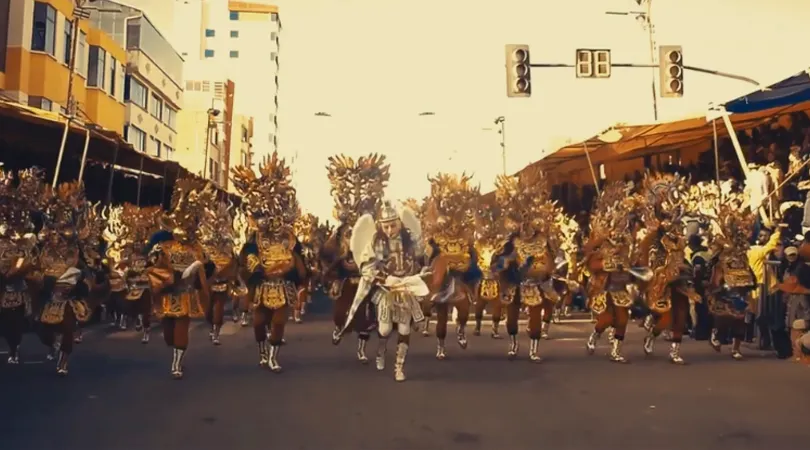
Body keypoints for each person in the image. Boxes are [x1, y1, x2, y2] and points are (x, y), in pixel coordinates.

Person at [231, 153, 309, 373]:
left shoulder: (290, 238)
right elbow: (246, 260)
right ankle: (262, 353)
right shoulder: (254, 239)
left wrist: (293, 264)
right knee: (258, 324)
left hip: (283, 288)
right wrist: (255, 269)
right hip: (262, 288)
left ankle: (274, 357)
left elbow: (300, 261)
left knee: (278, 324)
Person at [341, 201, 427, 381]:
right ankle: (381, 349)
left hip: (405, 289)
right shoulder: (376, 242)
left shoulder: (409, 240)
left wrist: (421, 271)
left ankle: (399, 367)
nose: (389, 230)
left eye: (393, 226)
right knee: (385, 329)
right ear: (380, 226)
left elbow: (420, 259)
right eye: (386, 226)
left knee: (405, 329)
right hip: (385, 289)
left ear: (400, 224)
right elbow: (366, 268)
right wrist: (385, 278)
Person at [321, 153, 390, 362]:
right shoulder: (342, 231)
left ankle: (361, 349)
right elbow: (328, 252)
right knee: (340, 313)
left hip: (367, 278)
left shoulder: (376, 232)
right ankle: (338, 328)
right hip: (345, 280)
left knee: (367, 317)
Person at [145, 179, 211, 379]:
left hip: (185, 294)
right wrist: (167, 275)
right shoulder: (163, 246)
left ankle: (177, 364)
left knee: (182, 327)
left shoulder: (197, 248)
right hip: (167, 292)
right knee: (168, 334)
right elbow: (152, 266)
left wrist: (198, 278)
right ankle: (175, 351)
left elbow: (206, 267)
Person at [422, 172, 481, 360]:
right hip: (444, 277)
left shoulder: (465, 232)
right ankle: (440, 345)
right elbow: (429, 253)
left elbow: (473, 254)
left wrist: (470, 256)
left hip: (460, 274)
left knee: (465, 307)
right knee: (440, 314)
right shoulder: (436, 233)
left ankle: (462, 329)